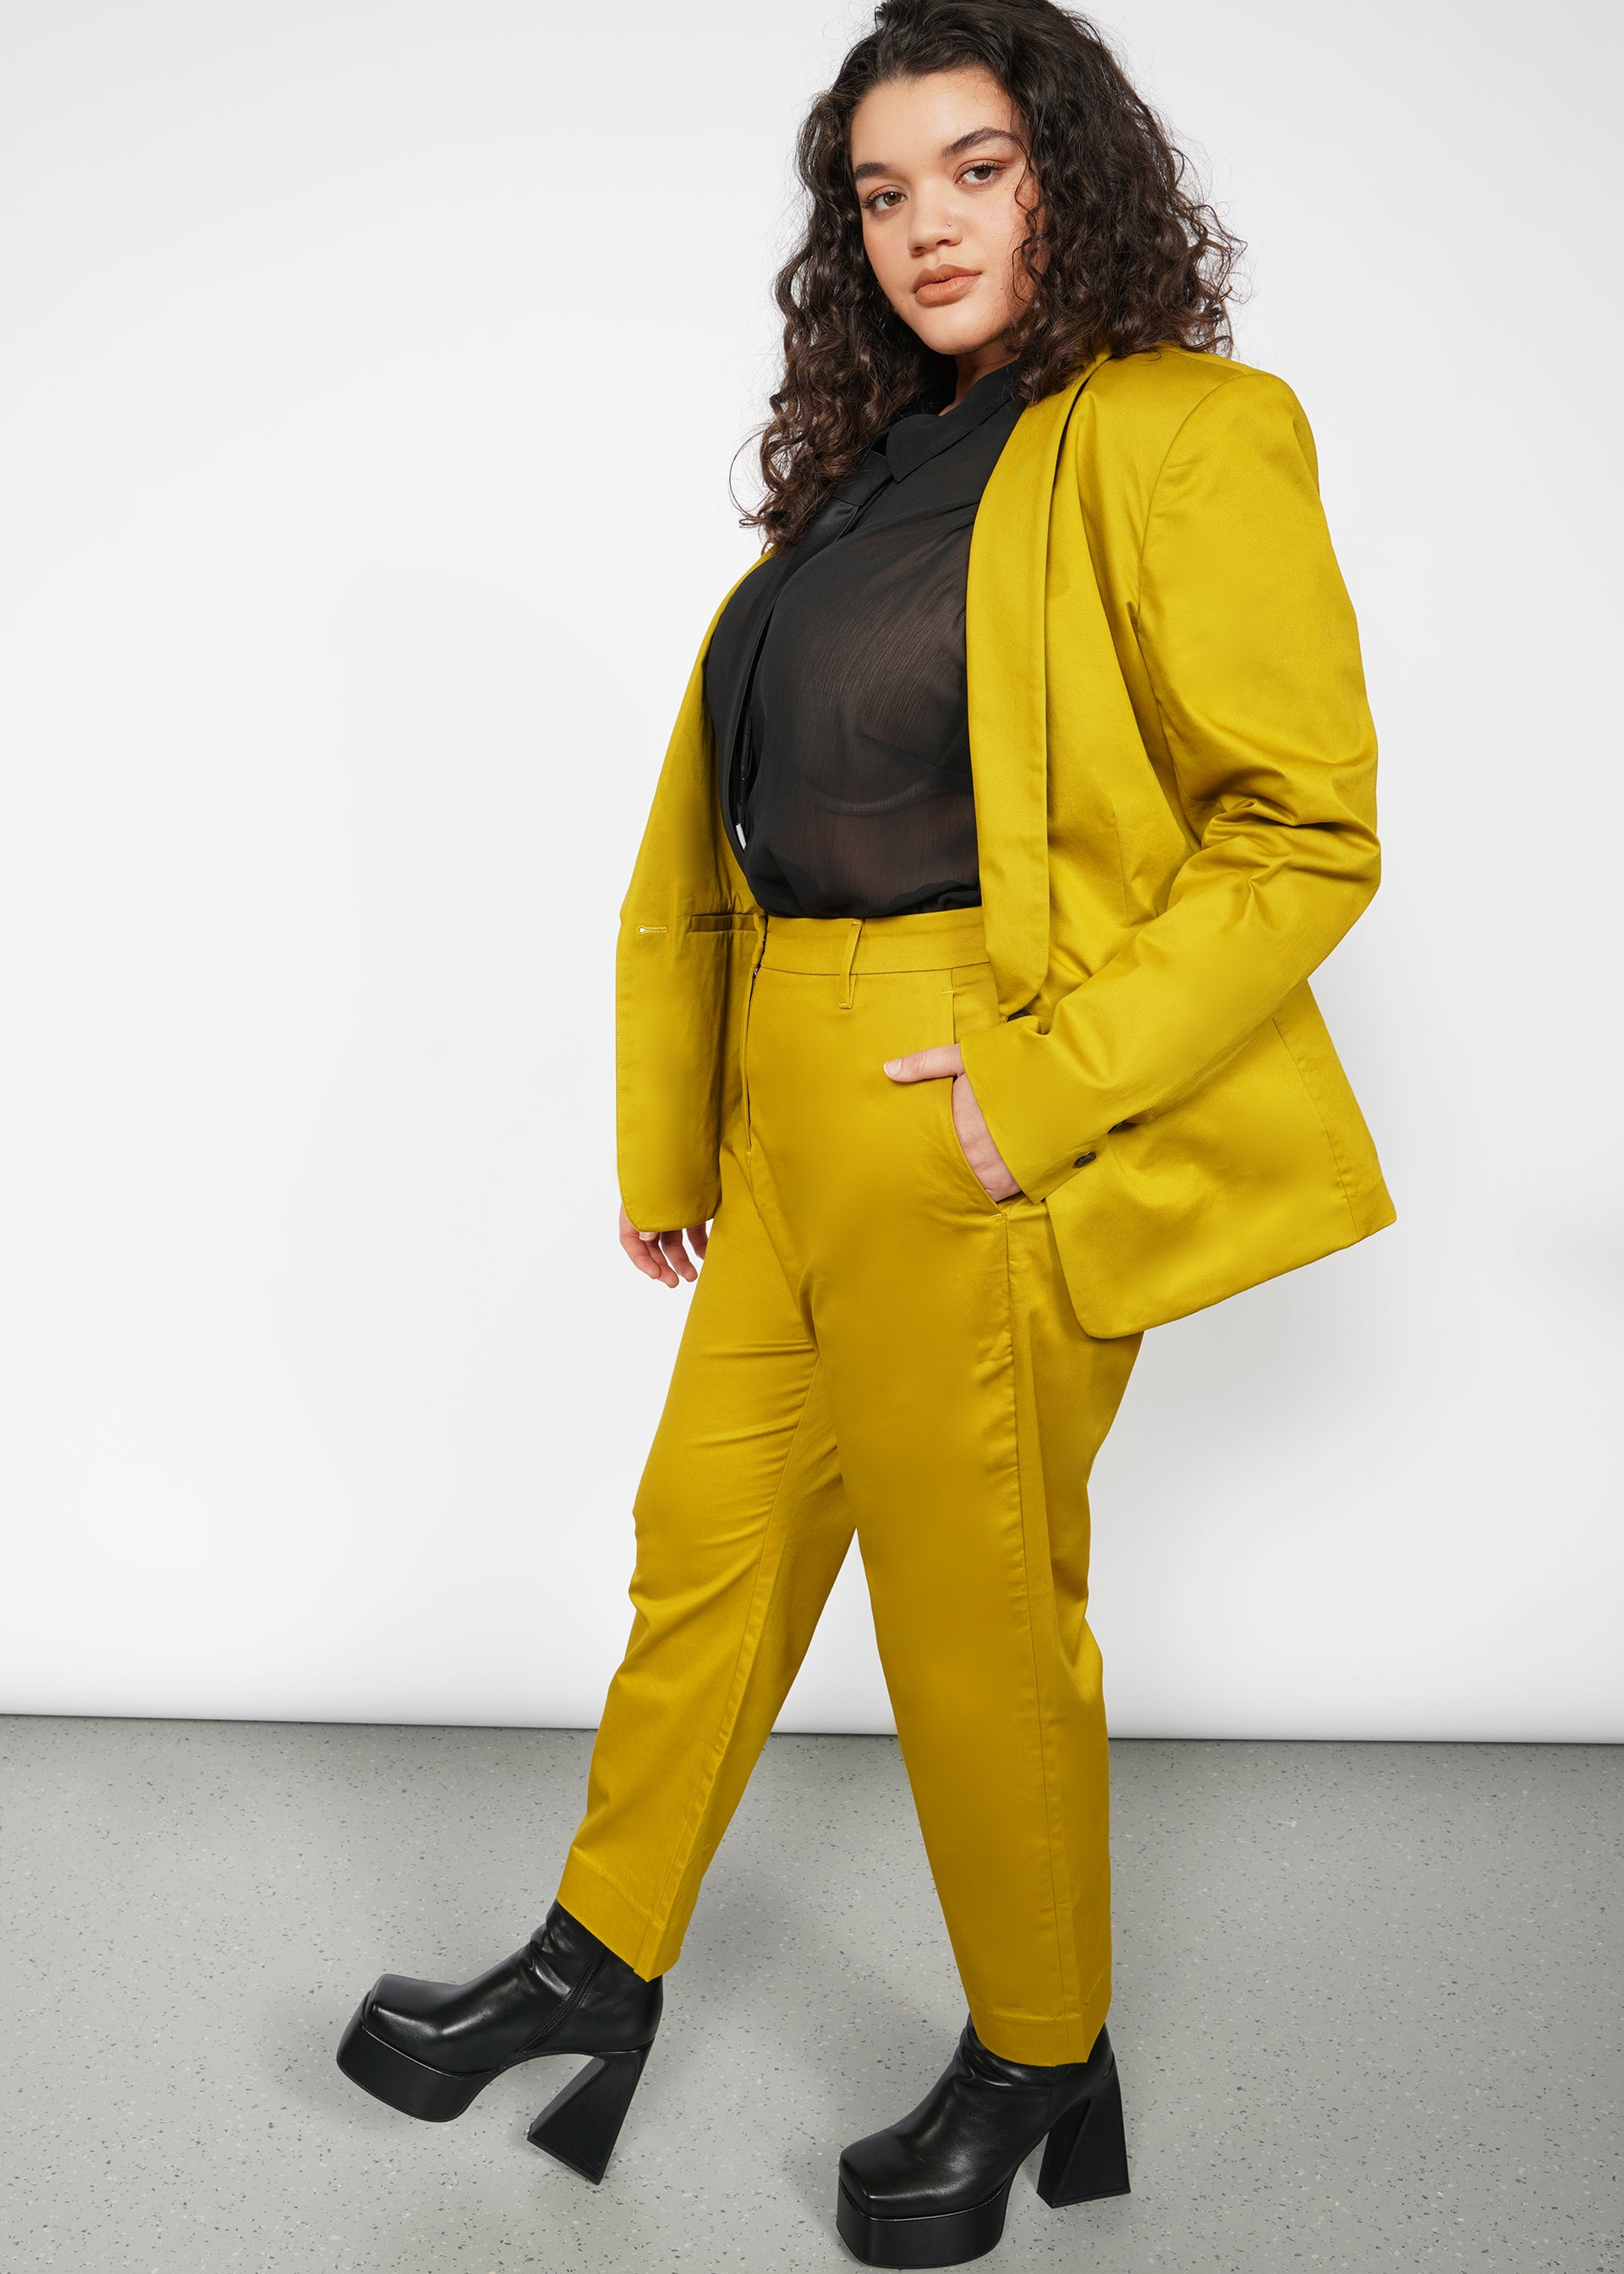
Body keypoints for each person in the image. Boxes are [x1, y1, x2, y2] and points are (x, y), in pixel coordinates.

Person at [335, 0, 1395, 2262]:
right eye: (885, 189)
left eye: (977, 167)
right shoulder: (858, 493)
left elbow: (1303, 836)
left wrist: (1037, 1088)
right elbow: (724, 844)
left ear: (1072, 174)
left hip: (973, 1083)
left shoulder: (1183, 435)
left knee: (974, 1617)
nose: (925, 223)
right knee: (698, 1556)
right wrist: (682, 1138)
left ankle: (1040, 2055)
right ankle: (596, 1962)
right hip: (790, 1110)